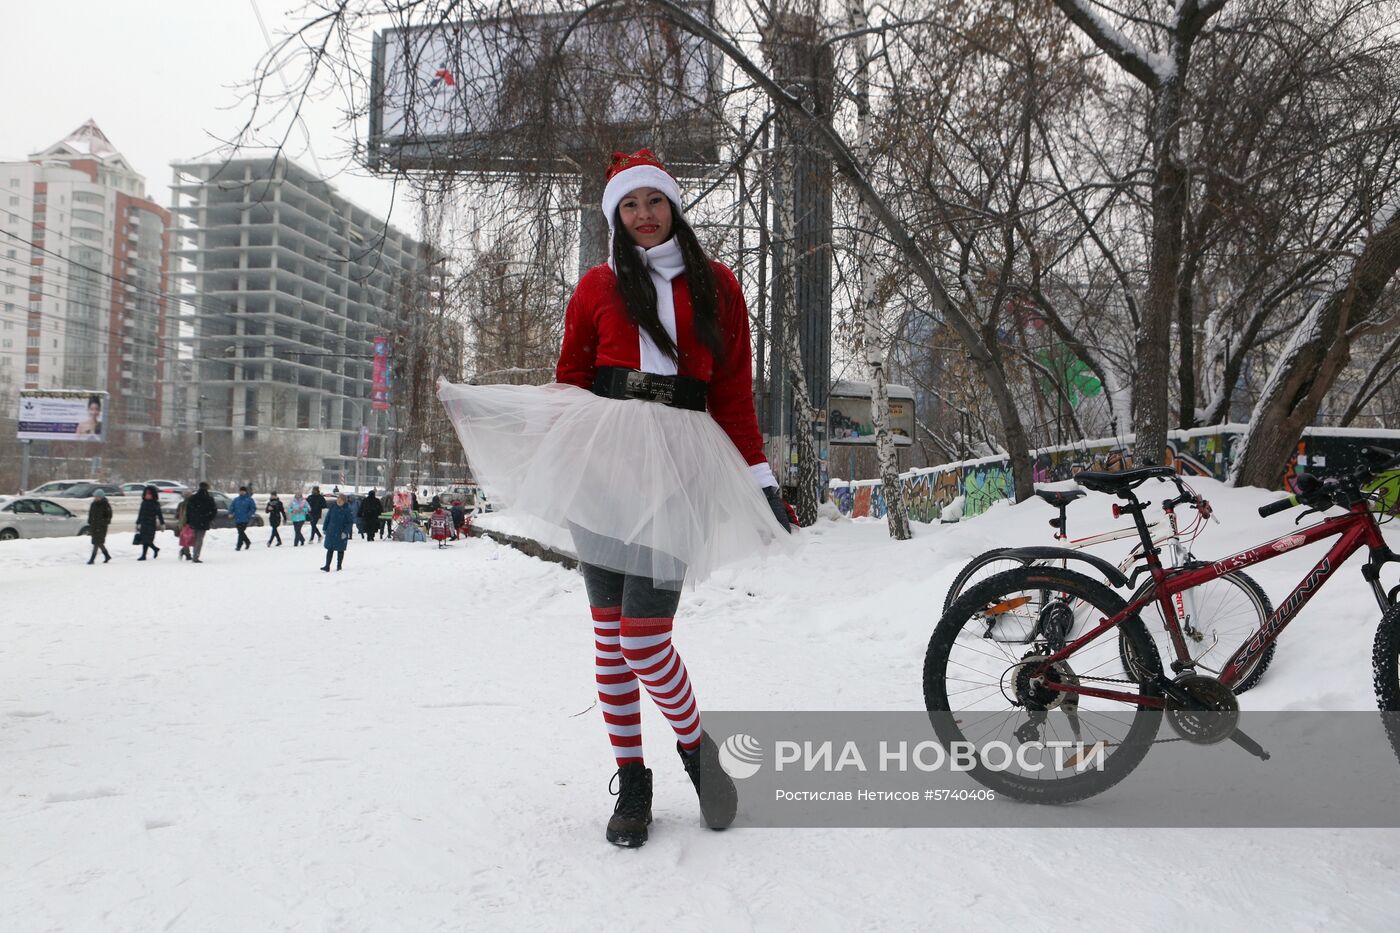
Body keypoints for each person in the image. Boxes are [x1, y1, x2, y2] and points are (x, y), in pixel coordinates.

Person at [438, 149, 794, 849]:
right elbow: (569, 379)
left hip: (680, 466)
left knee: (643, 636)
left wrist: (759, 476)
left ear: (673, 204)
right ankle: (633, 780)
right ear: (616, 217)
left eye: (653, 202)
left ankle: (697, 752)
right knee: (610, 640)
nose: (643, 216)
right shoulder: (597, 286)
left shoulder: (717, 284)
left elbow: (732, 391)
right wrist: (507, 422)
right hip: (600, 465)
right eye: (628, 206)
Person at [320, 491, 354, 571]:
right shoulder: (333, 507)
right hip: (331, 531)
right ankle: (327, 566)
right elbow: (328, 518)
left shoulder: (347, 510)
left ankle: (339, 566)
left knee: (340, 550)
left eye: (341, 500)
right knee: (330, 549)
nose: (339, 501)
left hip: (341, 532)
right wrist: (325, 528)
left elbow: (350, 522)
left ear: (344, 501)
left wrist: (345, 532)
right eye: (338, 499)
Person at [186, 481, 217, 563]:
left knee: (195, 537)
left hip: (194, 520)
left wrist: (189, 520)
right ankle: (196, 556)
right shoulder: (209, 498)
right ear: (207, 487)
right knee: (199, 538)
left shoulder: (193, 498)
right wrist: (209, 518)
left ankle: (193, 554)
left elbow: (188, 510)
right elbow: (214, 510)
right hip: (204, 520)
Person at [135, 485, 165, 560]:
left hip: (151, 523)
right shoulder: (143, 503)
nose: (147, 496)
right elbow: (140, 513)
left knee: (147, 540)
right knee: (144, 539)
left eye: (149, 494)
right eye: (146, 494)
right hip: (143, 523)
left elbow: (159, 514)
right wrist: (138, 522)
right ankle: (152, 550)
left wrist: (162, 523)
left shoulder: (155, 503)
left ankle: (146, 554)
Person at [86, 488, 112, 564]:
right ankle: (107, 556)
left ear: (101, 497)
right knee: (98, 543)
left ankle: (92, 559)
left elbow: (109, 516)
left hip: (101, 527)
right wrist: (90, 523)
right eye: (95, 496)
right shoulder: (93, 504)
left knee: (97, 543)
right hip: (94, 526)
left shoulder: (106, 505)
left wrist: (103, 523)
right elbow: (90, 515)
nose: (95, 498)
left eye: (97, 497)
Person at [174, 490, 193, 560]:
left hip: (184, 523)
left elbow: (177, 515)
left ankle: (184, 551)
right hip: (187, 523)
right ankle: (187, 554)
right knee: (187, 539)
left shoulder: (182, 504)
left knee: (187, 539)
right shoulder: (183, 504)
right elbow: (177, 514)